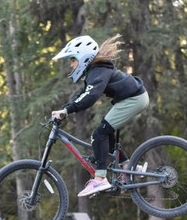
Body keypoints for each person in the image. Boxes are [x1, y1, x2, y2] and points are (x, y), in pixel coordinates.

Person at [52, 34, 149, 197]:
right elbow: (83, 92)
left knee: (99, 134)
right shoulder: (95, 71)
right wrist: (65, 109)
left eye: (72, 60)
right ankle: (128, 167)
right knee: (106, 132)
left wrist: (68, 110)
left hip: (134, 99)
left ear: (83, 57)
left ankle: (100, 178)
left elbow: (90, 96)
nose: (71, 64)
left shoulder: (99, 70)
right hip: (132, 98)